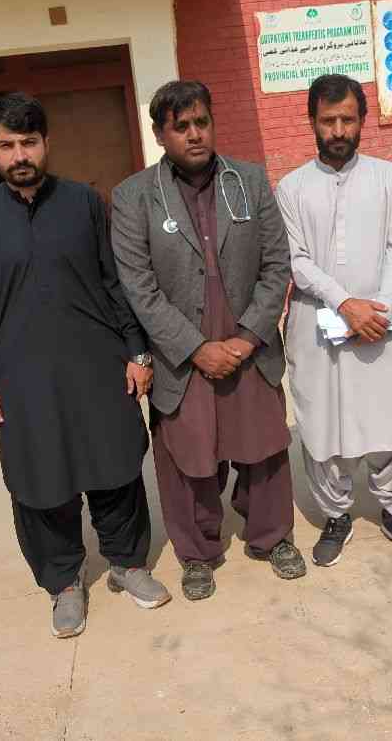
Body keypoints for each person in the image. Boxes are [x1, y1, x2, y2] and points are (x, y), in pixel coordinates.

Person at [0, 93, 170, 639]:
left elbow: (115, 283)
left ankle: (127, 564)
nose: (20, 155)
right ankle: (64, 583)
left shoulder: (83, 203)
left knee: (115, 465)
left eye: (29, 142)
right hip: (20, 376)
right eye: (7, 145)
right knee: (40, 478)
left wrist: (137, 352)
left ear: (45, 143)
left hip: (96, 364)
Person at [111, 80, 306, 601]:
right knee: (187, 456)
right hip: (182, 354)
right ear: (160, 134)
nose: (195, 134)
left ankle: (272, 537)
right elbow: (139, 287)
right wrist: (196, 348)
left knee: (264, 448)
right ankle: (198, 553)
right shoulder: (134, 197)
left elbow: (277, 264)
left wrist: (246, 339)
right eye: (181, 126)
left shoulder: (250, 180)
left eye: (202, 122)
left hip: (248, 347)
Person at [276, 74, 392, 567]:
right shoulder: (292, 187)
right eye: (328, 121)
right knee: (324, 421)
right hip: (318, 321)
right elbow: (297, 260)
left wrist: (377, 309)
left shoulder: (389, 178)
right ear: (312, 122)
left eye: (347, 119)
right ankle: (336, 515)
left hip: (384, 321)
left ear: (363, 120)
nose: (338, 130)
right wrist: (347, 304)